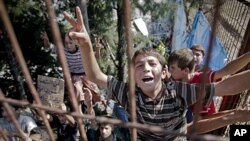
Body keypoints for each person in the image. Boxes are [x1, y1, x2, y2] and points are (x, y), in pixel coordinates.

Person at [62, 7, 250, 140]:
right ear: (134, 76)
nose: (145, 68)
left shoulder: (179, 90)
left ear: (165, 72)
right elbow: (96, 76)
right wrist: (85, 45)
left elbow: (222, 86)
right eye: (139, 66)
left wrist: (234, 117)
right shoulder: (128, 93)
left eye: (152, 63)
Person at [168, 48, 250, 123]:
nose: (169, 70)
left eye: (172, 68)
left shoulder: (202, 77)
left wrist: (248, 56)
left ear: (186, 70)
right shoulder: (175, 81)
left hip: (209, 122)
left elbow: (226, 71)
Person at [40, 29, 101, 104]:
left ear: (75, 42)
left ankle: (95, 104)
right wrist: (46, 40)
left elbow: (96, 57)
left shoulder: (81, 50)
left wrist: (98, 49)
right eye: (66, 43)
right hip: (74, 76)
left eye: (70, 43)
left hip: (85, 74)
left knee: (95, 93)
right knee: (77, 90)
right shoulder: (63, 51)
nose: (68, 46)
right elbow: (49, 47)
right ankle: (79, 107)